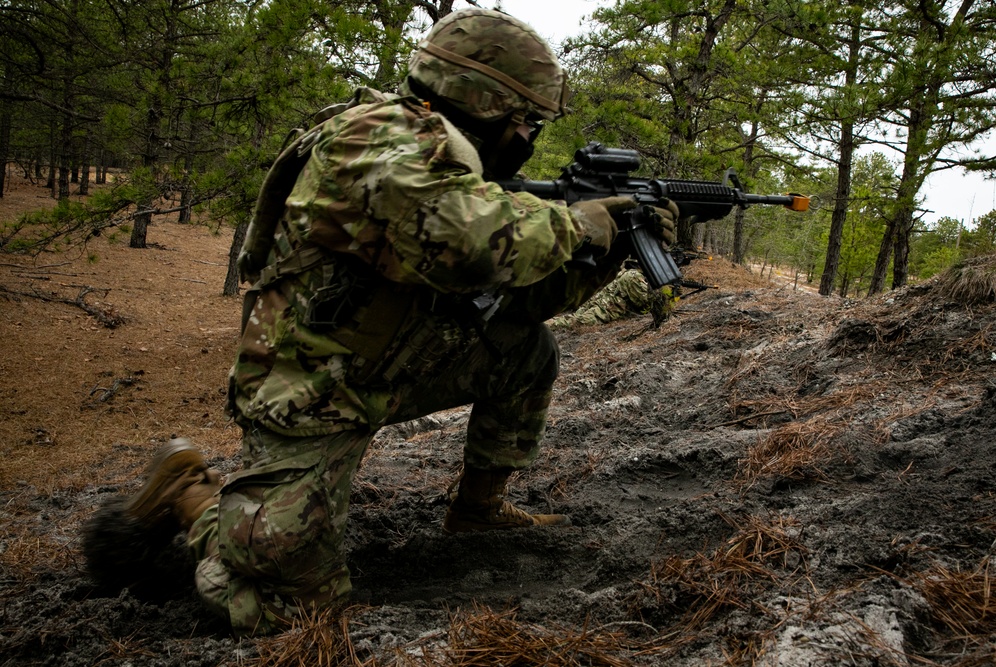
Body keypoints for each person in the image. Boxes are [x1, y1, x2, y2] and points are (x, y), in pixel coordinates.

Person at [85, 8, 677, 635]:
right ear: (483, 103)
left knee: (523, 348)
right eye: (524, 119)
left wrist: (605, 255)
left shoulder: (437, 159)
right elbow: (466, 241)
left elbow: (521, 298)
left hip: (385, 362)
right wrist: (576, 223)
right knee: (291, 603)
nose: (527, 133)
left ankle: (478, 511)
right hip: (310, 389)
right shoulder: (378, 139)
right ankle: (195, 502)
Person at [548, 265, 676, 328]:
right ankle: (548, 325)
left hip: (601, 301)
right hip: (608, 308)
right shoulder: (634, 277)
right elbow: (641, 303)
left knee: (574, 317)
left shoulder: (632, 274)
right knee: (576, 322)